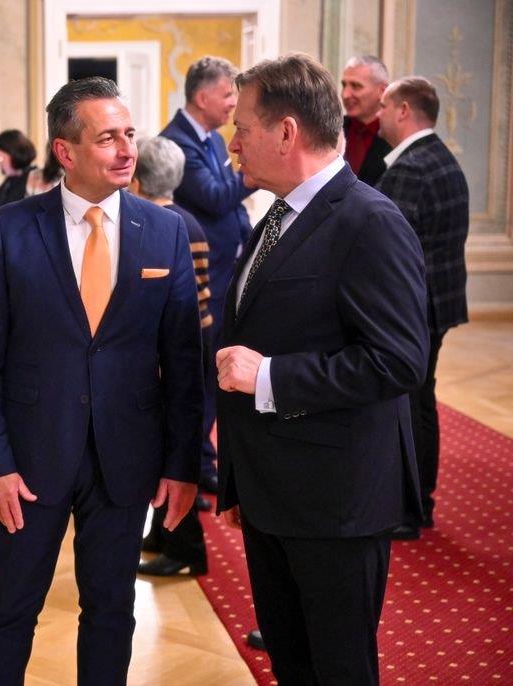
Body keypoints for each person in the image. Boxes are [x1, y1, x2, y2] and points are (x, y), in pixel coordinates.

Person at [0, 76, 204, 685]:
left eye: (129, 134)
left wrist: (183, 465)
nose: (126, 150)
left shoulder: (165, 231)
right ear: (65, 152)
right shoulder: (10, 230)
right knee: (10, 608)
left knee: (112, 610)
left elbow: (183, 361)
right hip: (29, 460)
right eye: (107, 138)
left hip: (127, 457)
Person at [216, 53, 428, 684]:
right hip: (274, 494)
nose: (232, 144)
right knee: (293, 663)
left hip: (336, 501)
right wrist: (241, 483)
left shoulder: (370, 221)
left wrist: (270, 378)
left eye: (242, 128)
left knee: (338, 670)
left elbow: (398, 360)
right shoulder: (277, 215)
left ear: (286, 132)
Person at [376, 76, 470, 539]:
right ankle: (419, 501)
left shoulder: (411, 168)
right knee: (420, 400)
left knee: (409, 405)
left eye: (384, 105)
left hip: (412, 307)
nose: (377, 115)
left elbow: (387, 248)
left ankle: (410, 508)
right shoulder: (442, 158)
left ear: (403, 110)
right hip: (436, 301)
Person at [160, 56, 254, 496]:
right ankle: (189, 467)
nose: (233, 103)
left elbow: (229, 207)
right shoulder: (176, 142)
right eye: (227, 94)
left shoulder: (214, 140)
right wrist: (254, 171)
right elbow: (216, 197)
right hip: (200, 279)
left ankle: (203, 460)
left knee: (213, 376)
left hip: (225, 274)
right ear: (202, 97)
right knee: (197, 378)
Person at [129, 135, 211, 577]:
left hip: (176, 350)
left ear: (137, 180)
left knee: (172, 448)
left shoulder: (161, 225)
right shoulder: (188, 220)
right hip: (193, 340)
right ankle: (162, 533)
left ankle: (184, 547)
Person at [341, 55, 392, 185]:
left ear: (382, 91)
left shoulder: (395, 136)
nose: (345, 94)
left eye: (356, 86)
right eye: (344, 85)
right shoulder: (332, 128)